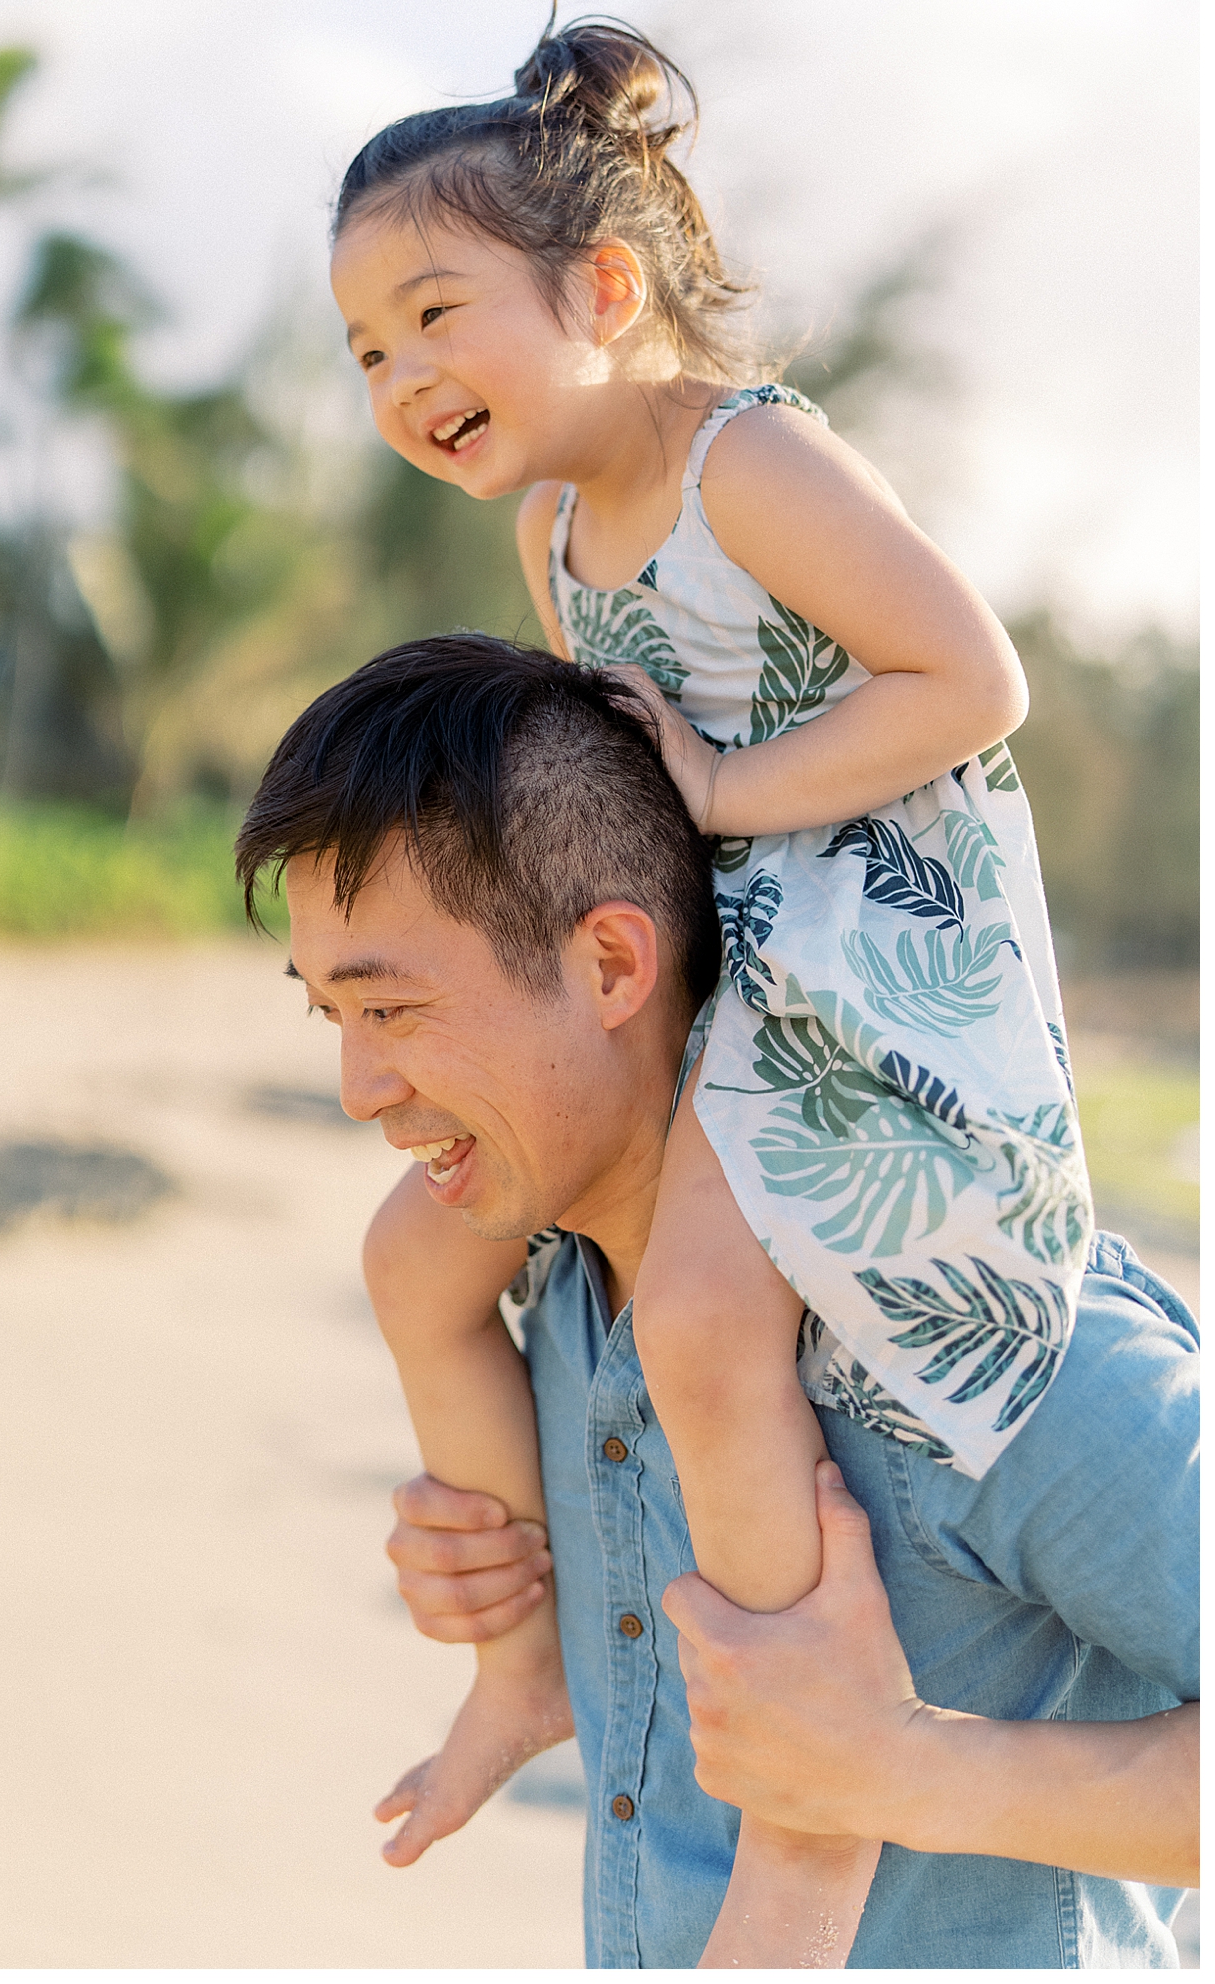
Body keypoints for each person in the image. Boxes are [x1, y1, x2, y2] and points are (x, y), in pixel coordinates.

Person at [325, 16, 1093, 1961]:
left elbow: (968, 685)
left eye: (430, 314)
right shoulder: (554, 529)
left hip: (873, 969)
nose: (402, 377)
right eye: (366, 351)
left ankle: (808, 1803)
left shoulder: (748, 465)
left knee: (690, 1304)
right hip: (712, 958)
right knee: (417, 1264)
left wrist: (729, 796)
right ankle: (525, 1671)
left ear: (598, 286)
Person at [234, 636, 1197, 1969]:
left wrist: (904, 1773)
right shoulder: (549, 1309)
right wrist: (514, 1576)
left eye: (392, 1010)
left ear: (616, 968)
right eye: (329, 1016)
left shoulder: (978, 1327)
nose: (357, 1087)